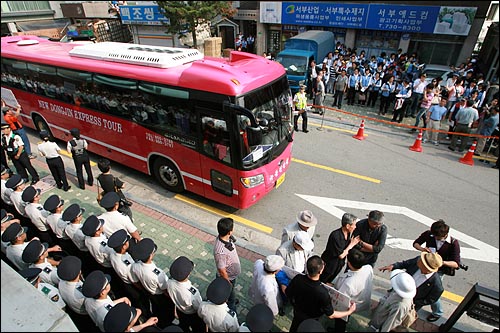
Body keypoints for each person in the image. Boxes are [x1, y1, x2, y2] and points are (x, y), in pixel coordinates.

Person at [285, 255, 356, 332]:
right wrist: (349, 312)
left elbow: (288, 292)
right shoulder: (323, 292)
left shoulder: (298, 278)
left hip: (297, 313)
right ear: (320, 271)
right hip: (312, 319)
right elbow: (331, 315)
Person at [413, 220, 461, 322]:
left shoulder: (453, 244)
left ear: (445, 235)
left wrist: (441, 262)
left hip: (439, 270)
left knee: (433, 292)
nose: (435, 238)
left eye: (437, 237)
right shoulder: (429, 234)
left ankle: (437, 312)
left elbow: (456, 263)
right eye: (433, 236)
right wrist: (422, 249)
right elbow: (416, 243)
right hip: (425, 265)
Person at [130, 238, 175, 328]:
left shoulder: (135, 266)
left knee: (156, 308)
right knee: (167, 311)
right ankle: (166, 325)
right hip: (160, 296)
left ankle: (158, 321)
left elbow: (135, 281)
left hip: (150, 293)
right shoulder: (158, 274)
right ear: (151, 255)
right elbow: (165, 289)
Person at [379, 252, 444, 313]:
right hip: (395, 293)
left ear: (427, 268)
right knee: (382, 310)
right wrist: (393, 266)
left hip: (407, 305)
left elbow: (430, 300)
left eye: (422, 261)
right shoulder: (418, 260)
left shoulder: (437, 286)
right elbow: (405, 264)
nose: (419, 260)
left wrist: (412, 302)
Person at [331, 249, 373, 332]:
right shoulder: (368, 268)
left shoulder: (349, 283)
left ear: (349, 263)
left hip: (349, 305)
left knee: (341, 321)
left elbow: (340, 298)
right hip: (361, 301)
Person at [166, 255, 205, 332]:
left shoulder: (169, 282)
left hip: (180, 311)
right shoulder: (193, 293)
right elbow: (198, 307)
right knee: (198, 328)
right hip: (192, 314)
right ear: (188, 274)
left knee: (184, 325)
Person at [320, 213, 360, 283]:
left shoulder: (348, 233)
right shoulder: (336, 236)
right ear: (347, 226)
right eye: (354, 225)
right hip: (329, 266)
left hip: (338, 265)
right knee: (322, 281)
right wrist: (351, 244)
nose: (355, 227)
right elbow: (341, 255)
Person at [213, 217, 241, 313]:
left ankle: (231, 299)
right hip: (228, 278)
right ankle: (232, 311)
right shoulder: (220, 252)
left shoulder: (226, 238)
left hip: (231, 276)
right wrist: (228, 283)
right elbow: (221, 270)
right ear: (229, 232)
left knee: (230, 294)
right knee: (230, 297)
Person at [1, 120, 39, 185]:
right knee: (19, 168)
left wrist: (18, 155)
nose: (3, 131)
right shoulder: (4, 137)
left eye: (4, 129)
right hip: (13, 155)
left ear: (9, 129)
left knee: (28, 166)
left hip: (21, 154)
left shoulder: (16, 136)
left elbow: (21, 146)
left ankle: (35, 177)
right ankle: (25, 178)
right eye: (2, 129)